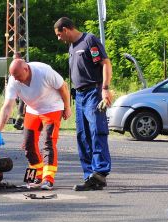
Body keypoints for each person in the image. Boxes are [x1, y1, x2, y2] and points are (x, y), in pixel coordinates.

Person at [0, 59, 71, 190]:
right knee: (28, 145)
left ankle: (48, 179)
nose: (16, 80)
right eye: (14, 76)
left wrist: (67, 107)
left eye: (18, 76)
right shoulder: (14, 80)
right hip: (33, 110)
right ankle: (35, 177)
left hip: (52, 108)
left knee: (48, 143)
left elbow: (63, 87)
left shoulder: (44, 72)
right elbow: (7, 107)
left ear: (26, 69)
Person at [54, 17, 112, 191]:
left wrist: (105, 88)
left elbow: (105, 63)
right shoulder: (72, 47)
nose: (59, 39)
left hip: (93, 92)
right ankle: (89, 176)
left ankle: (100, 172)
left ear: (65, 29)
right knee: (83, 136)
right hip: (79, 96)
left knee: (97, 131)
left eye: (58, 34)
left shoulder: (89, 40)